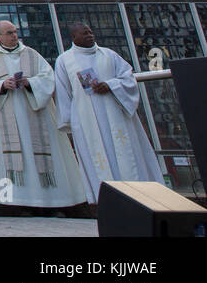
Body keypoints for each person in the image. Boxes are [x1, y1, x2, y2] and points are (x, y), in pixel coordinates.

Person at [0, 20, 87, 211]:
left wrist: (30, 83)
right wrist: (2, 85)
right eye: (9, 33)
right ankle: (15, 204)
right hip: (9, 116)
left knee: (44, 155)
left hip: (36, 115)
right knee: (13, 159)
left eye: (15, 32)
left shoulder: (32, 55)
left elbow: (48, 78)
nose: (14, 36)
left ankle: (51, 202)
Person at [54, 21, 162, 201]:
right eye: (84, 33)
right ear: (74, 37)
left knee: (126, 156)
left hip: (115, 113)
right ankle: (105, 200)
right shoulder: (64, 60)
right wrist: (68, 121)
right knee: (97, 158)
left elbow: (128, 77)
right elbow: (63, 91)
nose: (90, 35)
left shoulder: (109, 55)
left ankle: (135, 196)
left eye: (90, 31)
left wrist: (111, 85)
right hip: (85, 117)